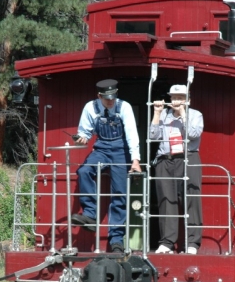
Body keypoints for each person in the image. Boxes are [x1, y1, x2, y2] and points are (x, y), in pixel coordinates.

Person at [71, 79, 141, 253]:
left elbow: (132, 133)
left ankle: (116, 240)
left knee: (120, 193)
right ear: (99, 96)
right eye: (107, 98)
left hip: (121, 150)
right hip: (101, 148)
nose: (111, 101)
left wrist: (135, 160)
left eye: (113, 97)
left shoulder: (124, 107)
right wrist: (82, 138)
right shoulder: (90, 108)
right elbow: (85, 133)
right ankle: (90, 215)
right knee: (84, 171)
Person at [150, 84, 204, 254]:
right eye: (174, 98)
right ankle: (166, 242)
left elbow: (194, 134)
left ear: (188, 99)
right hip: (166, 160)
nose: (177, 101)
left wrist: (182, 116)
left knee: (191, 199)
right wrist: (157, 114)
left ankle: (192, 244)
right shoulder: (164, 115)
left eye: (181, 98)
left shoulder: (195, 115)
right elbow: (153, 137)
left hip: (188, 158)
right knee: (166, 200)